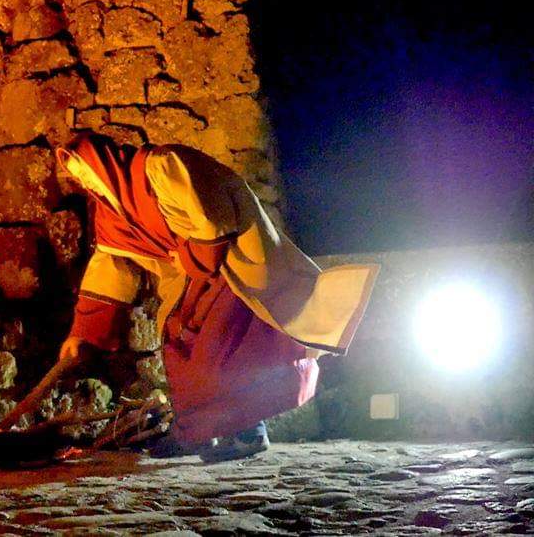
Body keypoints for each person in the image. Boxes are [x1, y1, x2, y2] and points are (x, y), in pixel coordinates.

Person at [55, 133, 378, 461]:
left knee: (226, 355)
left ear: (103, 162)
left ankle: (249, 433)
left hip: (231, 269)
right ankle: (199, 434)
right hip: (192, 283)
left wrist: (191, 257)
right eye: (77, 177)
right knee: (182, 355)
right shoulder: (112, 216)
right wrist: (83, 332)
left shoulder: (163, 166)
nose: (84, 181)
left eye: (84, 170)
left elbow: (212, 218)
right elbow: (111, 265)